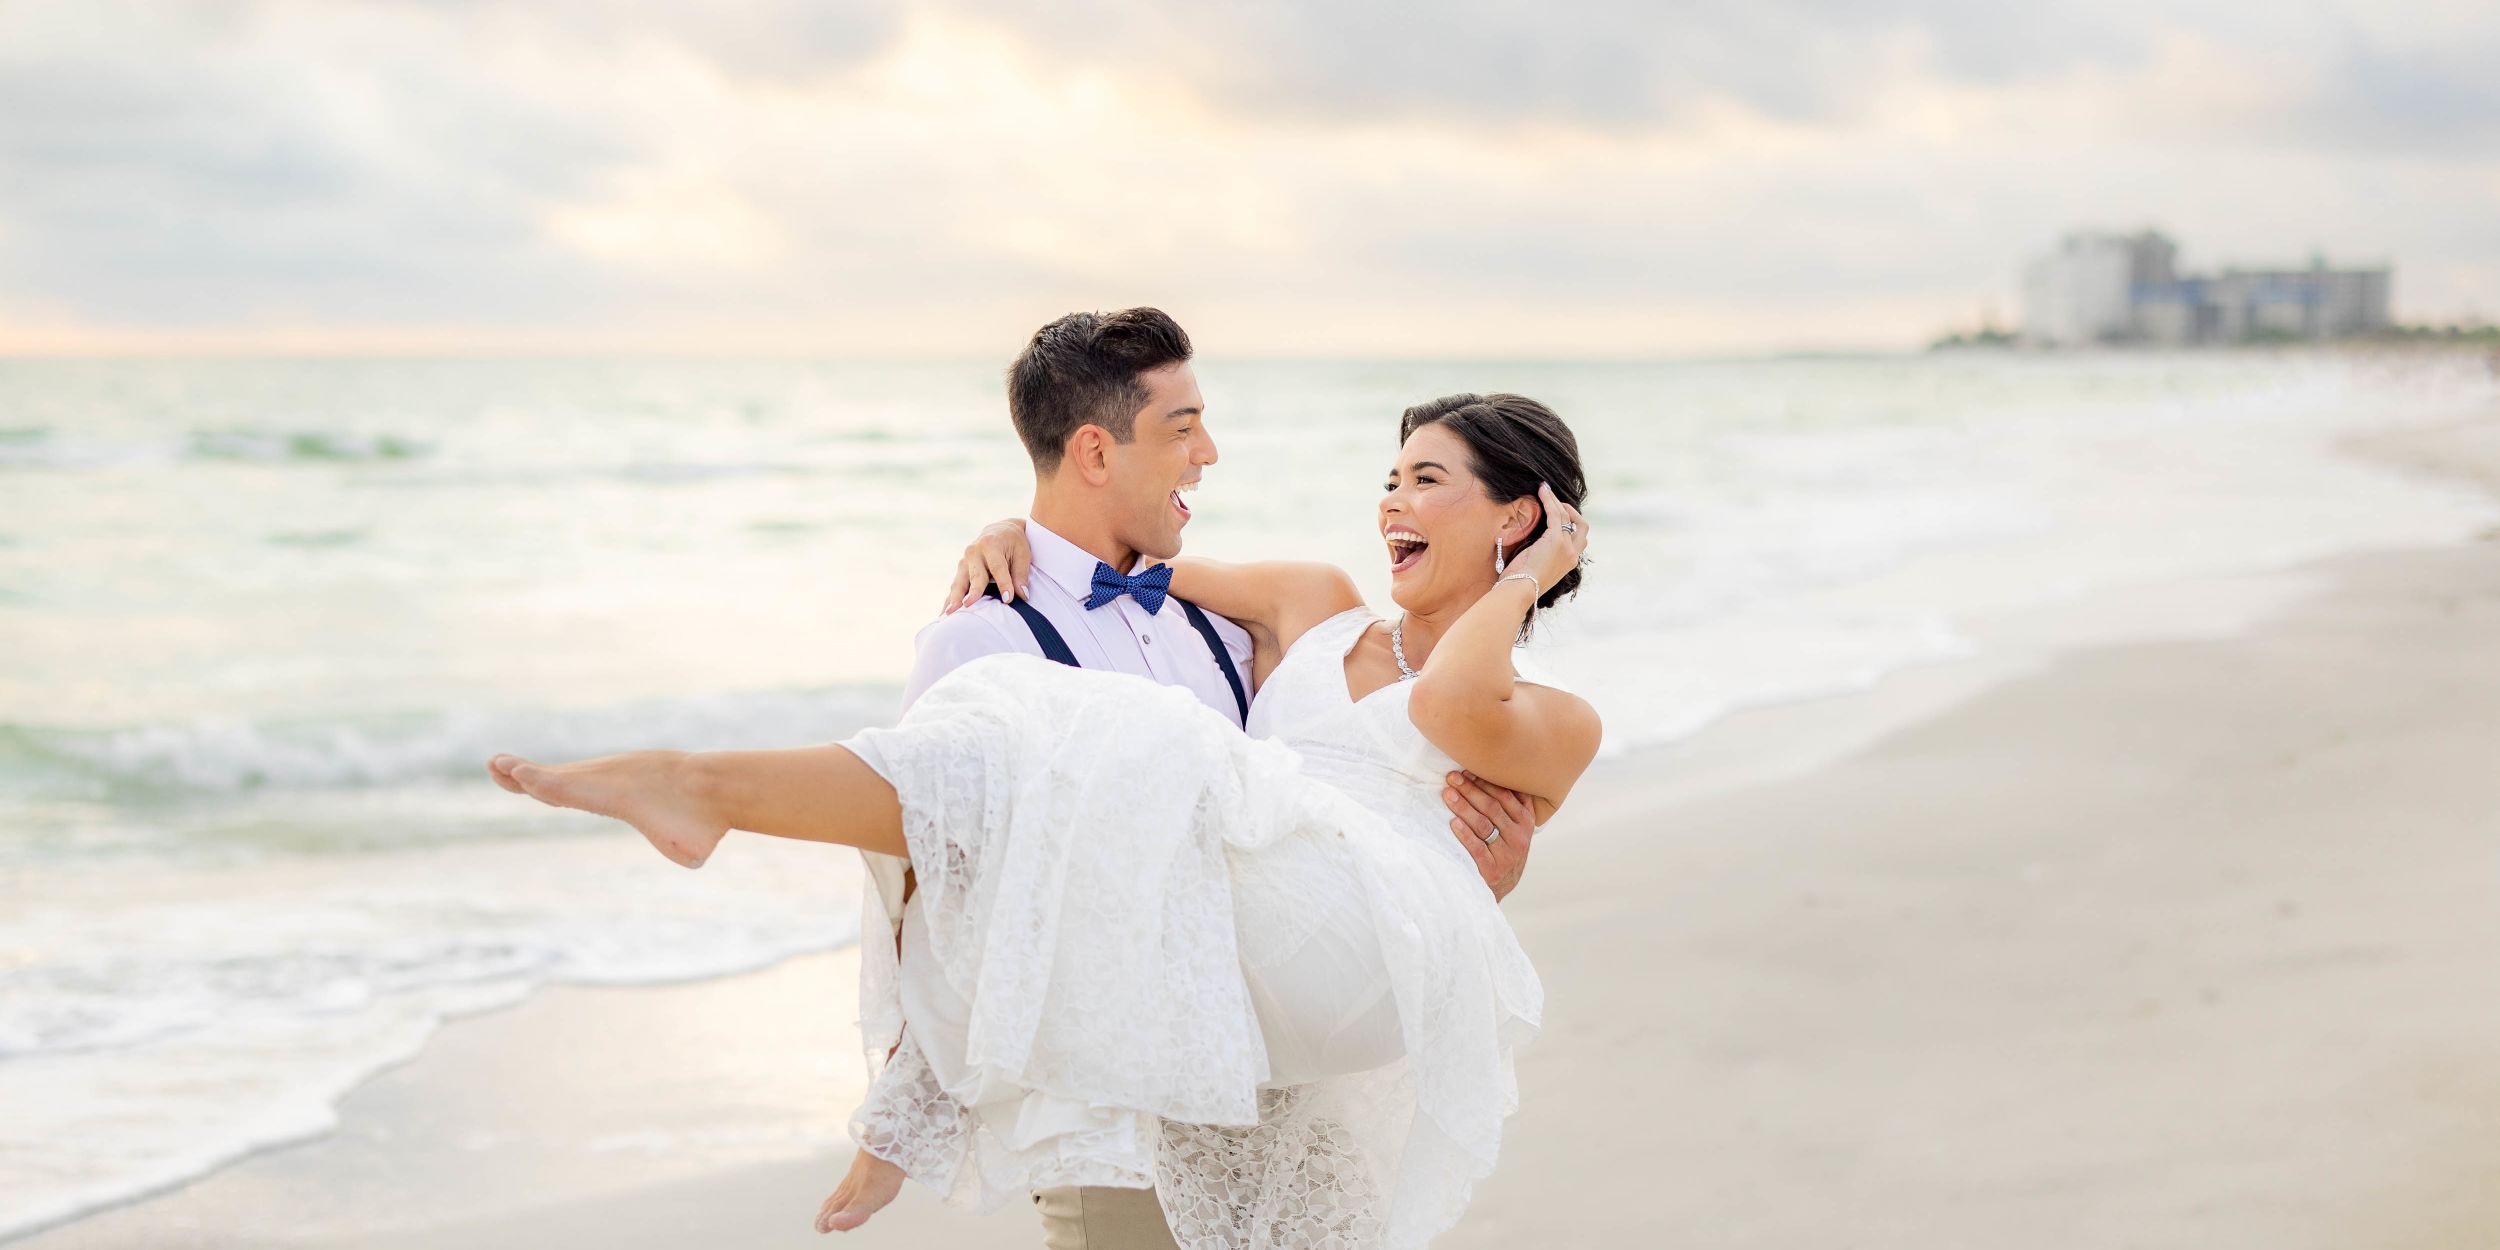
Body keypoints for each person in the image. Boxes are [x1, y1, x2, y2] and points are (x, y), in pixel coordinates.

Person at [487, 320, 1598, 1248]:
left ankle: (706, 789)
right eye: (1392, 478)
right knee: (1062, 731)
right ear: (1096, 447)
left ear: (1517, 515)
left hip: (1338, 980)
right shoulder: (1291, 604)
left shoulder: (1542, 711)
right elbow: (946, 851)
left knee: (1128, 737)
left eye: (1426, 481)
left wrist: (1536, 570)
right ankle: (705, 796)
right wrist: (1008, 526)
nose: (1392, 501)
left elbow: (1449, 709)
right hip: (1165, 1061)